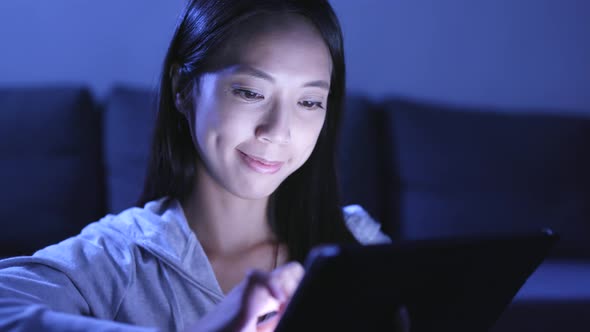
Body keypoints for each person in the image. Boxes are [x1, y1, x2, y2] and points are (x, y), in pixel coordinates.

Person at [0, 0, 399, 331]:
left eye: (309, 102)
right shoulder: (121, 256)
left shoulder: (356, 244)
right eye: (249, 91)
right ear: (183, 89)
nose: (279, 131)